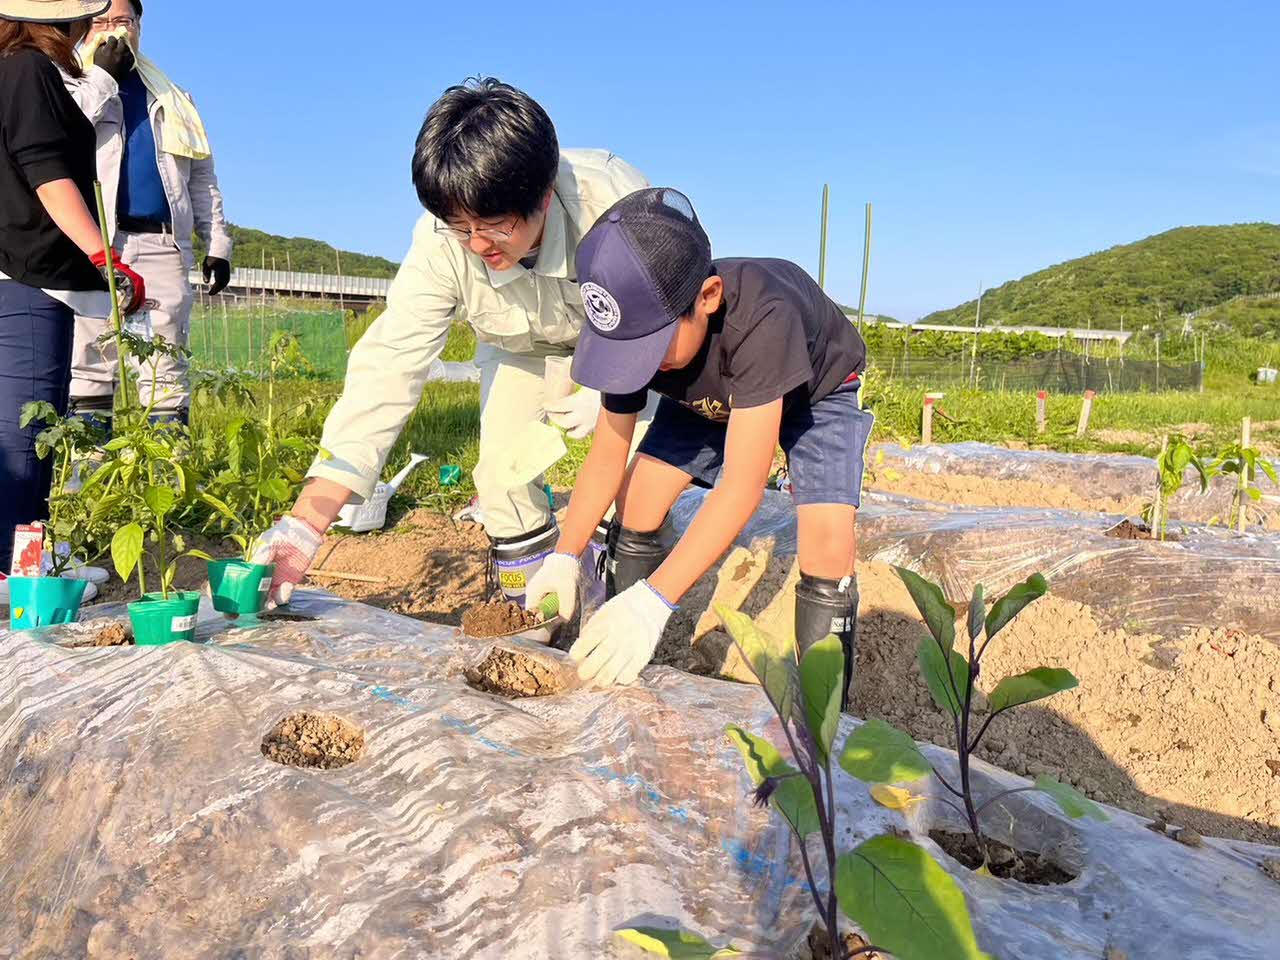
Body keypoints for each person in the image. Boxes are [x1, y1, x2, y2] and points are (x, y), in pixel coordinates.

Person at [252, 78, 651, 610]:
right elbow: (392, 361)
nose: (478, 244)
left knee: (633, 473)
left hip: (624, 344)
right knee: (502, 476)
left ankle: (618, 596)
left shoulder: (615, 206)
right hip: (520, 349)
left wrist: (618, 382)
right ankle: (529, 611)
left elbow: (666, 313)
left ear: (546, 196)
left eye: (495, 225)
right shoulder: (441, 242)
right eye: (461, 227)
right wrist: (306, 521)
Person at [525, 188, 873, 700]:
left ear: (707, 299)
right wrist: (565, 555)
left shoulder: (764, 315)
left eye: (649, 347)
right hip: (707, 391)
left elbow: (743, 485)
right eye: (625, 351)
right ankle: (626, 656)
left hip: (815, 392)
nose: (636, 365)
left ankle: (828, 715)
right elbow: (606, 455)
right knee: (637, 500)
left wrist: (657, 600)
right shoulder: (637, 334)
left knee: (826, 541)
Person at [0, 0, 146, 597]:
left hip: (17, 269)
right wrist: (103, 256)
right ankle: (19, 572)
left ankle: (31, 558)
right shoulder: (28, 68)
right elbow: (48, 174)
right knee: (26, 429)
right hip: (32, 272)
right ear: (61, 22)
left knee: (26, 423)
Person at [66, 0, 232, 425]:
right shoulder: (69, 83)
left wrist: (217, 242)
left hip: (161, 243)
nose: (113, 30)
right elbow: (59, 134)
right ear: (84, 28)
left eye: (123, 20)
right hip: (94, 243)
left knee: (165, 364)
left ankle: (165, 477)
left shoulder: (173, 96)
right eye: (101, 22)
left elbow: (201, 176)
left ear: (139, 27)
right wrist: (104, 77)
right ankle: (86, 479)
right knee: (89, 365)